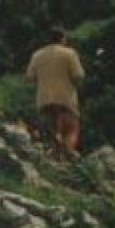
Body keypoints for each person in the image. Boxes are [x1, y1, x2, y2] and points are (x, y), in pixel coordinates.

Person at [26, 28, 85, 159]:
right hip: (66, 100)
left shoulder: (37, 55)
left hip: (44, 100)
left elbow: (30, 77)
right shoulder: (69, 53)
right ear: (63, 39)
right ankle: (67, 153)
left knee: (51, 130)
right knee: (72, 128)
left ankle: (55, 154)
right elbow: (79, 75)